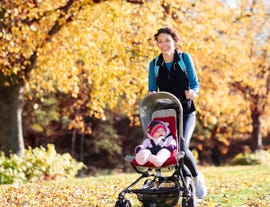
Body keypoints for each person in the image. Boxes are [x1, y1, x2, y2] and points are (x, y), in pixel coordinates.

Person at [147, 27, 207, 199]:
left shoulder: (184, 59)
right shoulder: (154, 65)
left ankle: (196, 177)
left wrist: (193, 93)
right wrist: (151, 96)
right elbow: (152, 89)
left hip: (186, 112)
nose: (164, 44)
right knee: (171, 149)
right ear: (157, 44)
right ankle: (186, 182)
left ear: (174, 41)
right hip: (166, 115)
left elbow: (195, 84)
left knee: (182, 146)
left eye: (167, 40)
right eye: (160, 41)